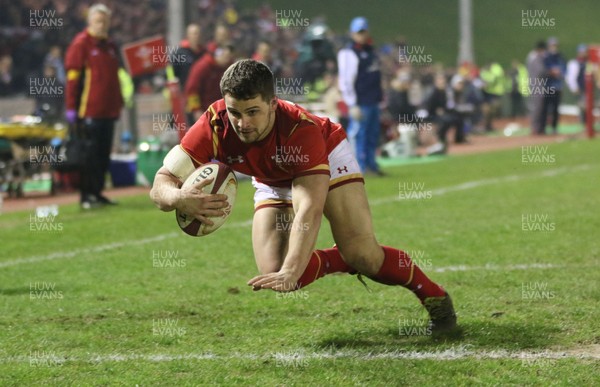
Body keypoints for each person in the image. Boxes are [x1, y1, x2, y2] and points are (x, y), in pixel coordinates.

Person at [150, 59, 457, 333]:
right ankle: (340, 259)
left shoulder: (300, 130)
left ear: (273, 103)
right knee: (273, 272)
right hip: (271, 176)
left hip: (325, 158)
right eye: (235, 112)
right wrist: (179, 198)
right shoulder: (214, 124)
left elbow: (308, 209)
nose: (242, 123)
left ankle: (435, 296)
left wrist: (293, 268)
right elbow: (160, 184)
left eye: (253, 112)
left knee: (363, 254)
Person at [65, 3, 123, 209]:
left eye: (105, 21)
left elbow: (115, 78)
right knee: (88, 156)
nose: (103, 25)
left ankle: (97, 193)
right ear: (89, 22)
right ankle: (86, 196)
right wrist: (71, 108)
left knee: (103, 155)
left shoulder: (111, 46)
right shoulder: (81, 44)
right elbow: (73, 80)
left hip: (108, 111)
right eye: (99, 21)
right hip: (88, 111)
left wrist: (119, 103)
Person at [337, 17, 384, 175]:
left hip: (373, 100)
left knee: (372, 134)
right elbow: (346, 81)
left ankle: (371, 165)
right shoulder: (348, 53)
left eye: (364, 31)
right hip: (360, 101)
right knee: (358, 134)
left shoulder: (371, 51)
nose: (362, 35)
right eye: (359, 32)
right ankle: (357, 168)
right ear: (352, 33)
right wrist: (352, 103)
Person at [184, 44, 235, 121]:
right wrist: (196, 110)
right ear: (218, 54)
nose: (227, 60)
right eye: (225, 57)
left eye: (229, 58)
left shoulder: (228, 67)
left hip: (220, 111)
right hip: (202, 111)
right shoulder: (202, 67)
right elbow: (192, 90)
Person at [540, 37, 566, 135]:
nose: (554, 47)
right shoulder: (545, 57)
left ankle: (554, 128)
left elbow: (563, 70)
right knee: (545, 108)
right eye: (552, 45)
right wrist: (551, 72)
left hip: (557, 86)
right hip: (548, 86)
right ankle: (543, 128)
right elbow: (543, 70)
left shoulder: (560, 57)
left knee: (555, 108)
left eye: (555, 45)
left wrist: (559, 72)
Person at [526, 40, 547, 135]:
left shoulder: (532, 56)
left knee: (537, 106)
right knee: (537, 107)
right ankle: (535, 127)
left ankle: (537, 127)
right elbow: (540, 71)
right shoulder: (535, 57)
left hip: (535, 83)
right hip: (536, 84)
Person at [565, 44, 588, 126]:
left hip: (588, 89)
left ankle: (587, 125)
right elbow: (571, 77)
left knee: (588, 107)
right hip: (581, 89)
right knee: (583, 107)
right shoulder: (575, 63)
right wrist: (574, 88)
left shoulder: (588, 62)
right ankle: (583, 124)